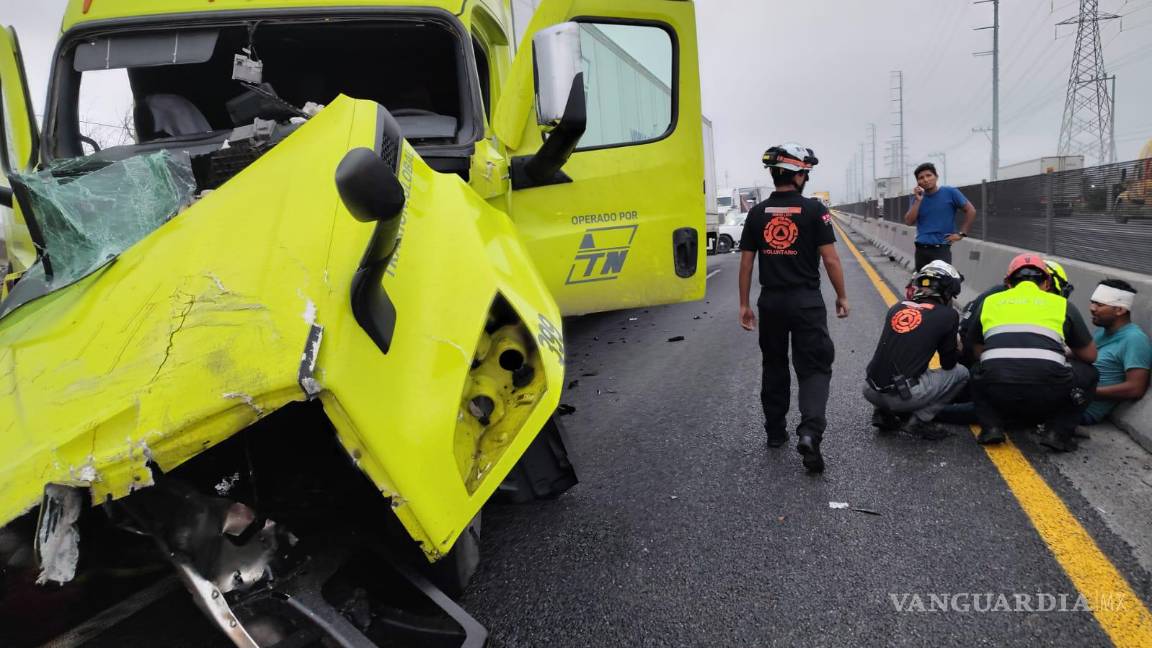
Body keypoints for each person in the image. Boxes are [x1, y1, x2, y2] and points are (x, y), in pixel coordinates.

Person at [738, 142, 850, 473]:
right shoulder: (815, 210)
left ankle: (775, 433)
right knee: (814, 367)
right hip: (806, 301)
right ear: (799, 175)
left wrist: (744, 304)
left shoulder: (757, 214)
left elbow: (746, 264)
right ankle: (811, 433)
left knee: (774, 365)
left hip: (770, 302)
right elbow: (830, 258)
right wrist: (842, 296)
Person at [966, 254, 1098, 452]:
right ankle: (1057, 433)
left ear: (1008, 283)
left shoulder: (990, 301)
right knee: (1090, 373)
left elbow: (976, 349)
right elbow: (1090, 356)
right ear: (1046, 283)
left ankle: (991, 427)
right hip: (1049, 390)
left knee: (977, 369)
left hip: (997, 388)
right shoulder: (1062, 305)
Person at [864, 261, 969, 439]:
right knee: (962, 373)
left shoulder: (897, 307)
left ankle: (882, 413)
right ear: (947, 292)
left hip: (870, 390)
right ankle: (919, 421)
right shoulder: (948, 315)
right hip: (903, 397)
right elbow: (948, 363)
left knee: (901, 359)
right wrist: (957, 345)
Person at [1081, 279, 1152, 425]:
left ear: (1120, 310)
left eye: (1099, 304)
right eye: (1092, 302)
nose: (1092, 308)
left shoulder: (1135, 340)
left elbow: (1136, 388)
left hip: (1083, 410)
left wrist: (1086, 393)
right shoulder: (1102, 330)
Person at [904, 162, 977, 270]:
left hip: (941, 249)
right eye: (921, 178)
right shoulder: (916, 198)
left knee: (944, 284)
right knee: (922, 284)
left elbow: (971, 211)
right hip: (921, 249)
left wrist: (962, 234)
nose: (925, 179)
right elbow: (908, 222)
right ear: (918, 182)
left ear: (936, 177)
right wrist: (918, 201)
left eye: (929, 175)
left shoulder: (950, 192)